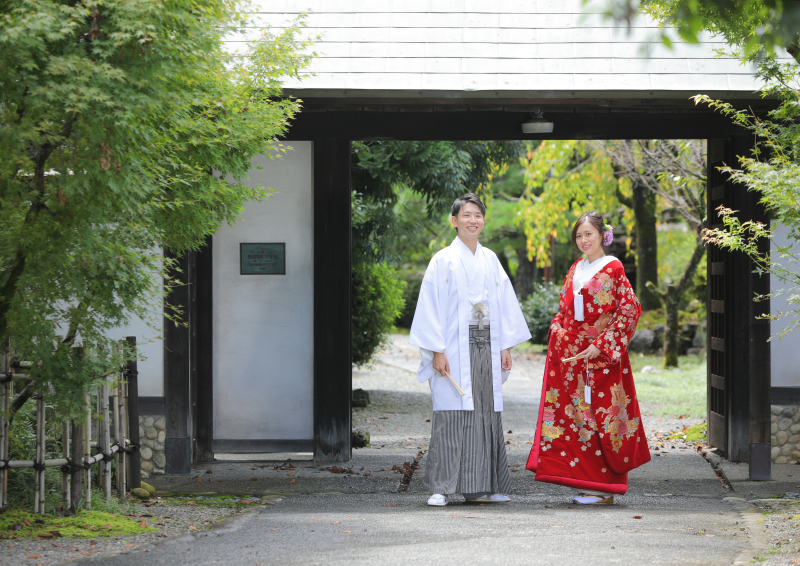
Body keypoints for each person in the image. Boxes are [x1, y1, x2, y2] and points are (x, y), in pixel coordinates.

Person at [409, 193, 531, 507]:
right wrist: (436, 350)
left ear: (483, 220)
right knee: (451, 415)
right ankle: (441, 486)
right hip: (452, 347)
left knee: (485, 413)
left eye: (477, 215)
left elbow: (503, 305)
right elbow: (430, 308)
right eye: (466, 215)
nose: (472, 220)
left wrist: (504, 345)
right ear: (454, 221)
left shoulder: (490, 259)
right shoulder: (442, 260)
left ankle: (482, 487)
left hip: (486, 345)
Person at [525, 211, 650, 505]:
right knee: (578, 419)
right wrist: (556, 325)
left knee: (600, 417)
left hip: (601, 358)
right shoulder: (575, 268)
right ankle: (587, 483)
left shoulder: (614, 268)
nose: (583, 240)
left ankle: (605, 487)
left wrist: (604, 344)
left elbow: (629, 310)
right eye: (579, 236)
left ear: (602, 236)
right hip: (573, 359)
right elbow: (564, 309)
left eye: (589, 234)